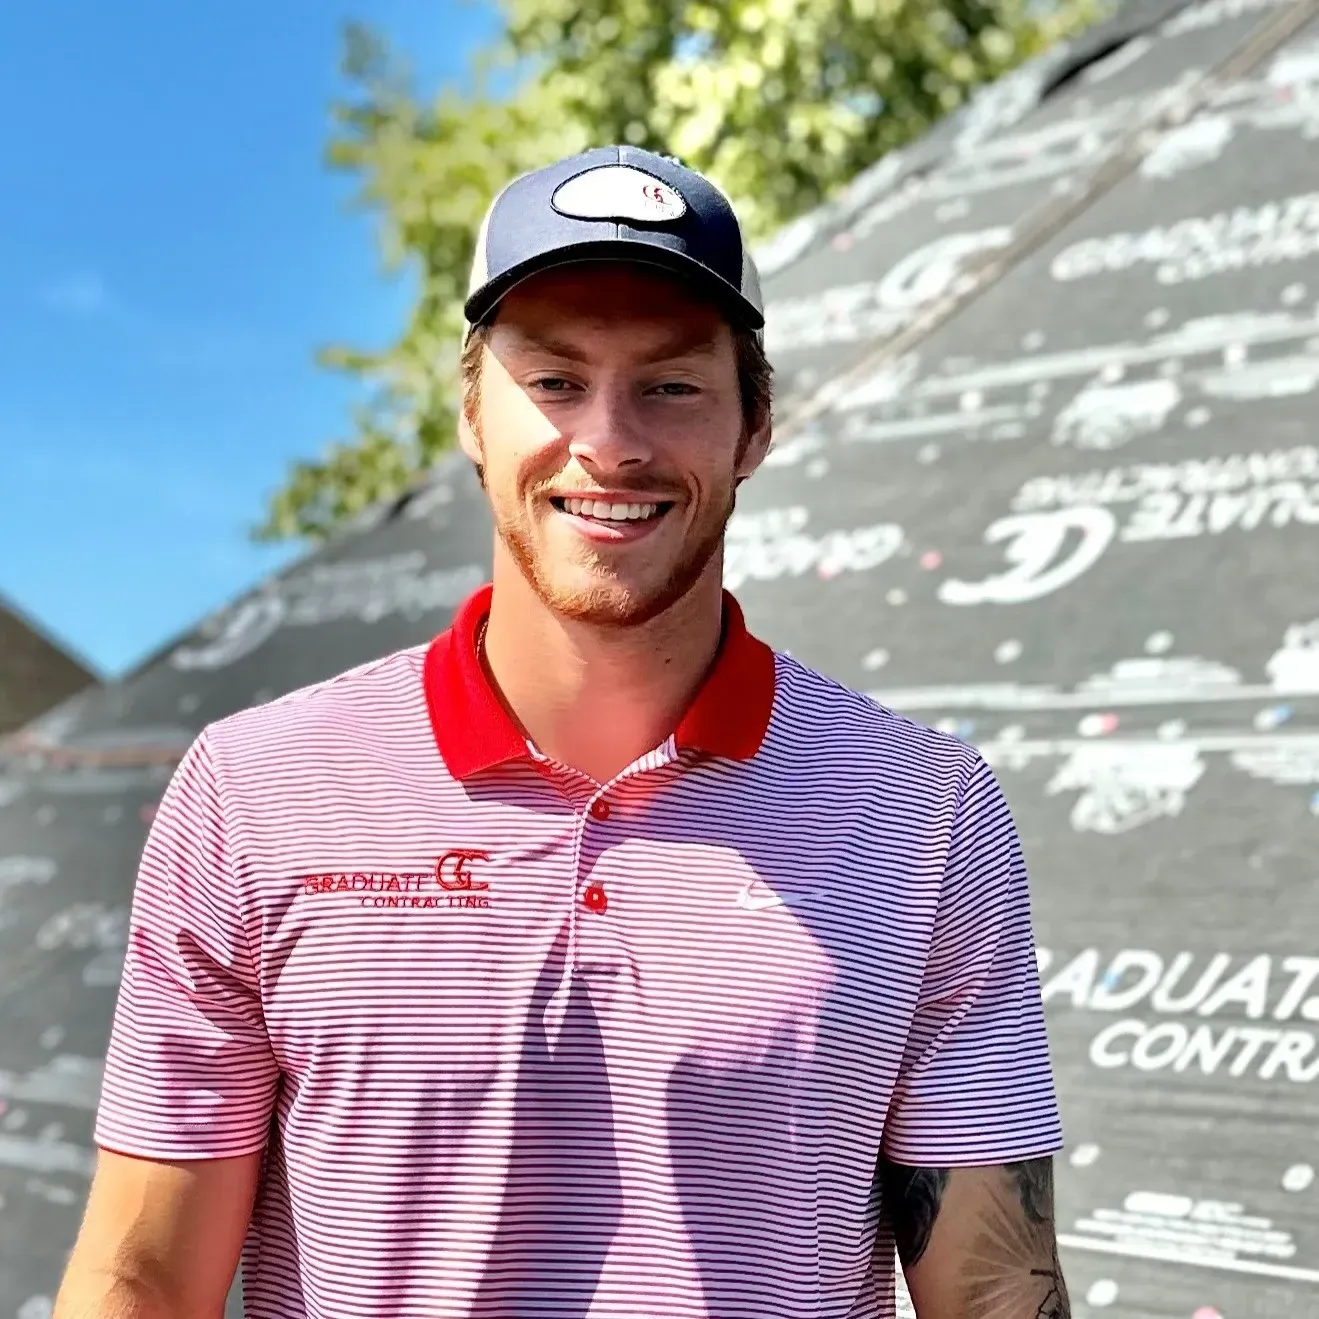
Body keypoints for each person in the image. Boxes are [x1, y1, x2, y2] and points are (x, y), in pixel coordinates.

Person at [56, 146, 1069, 1319]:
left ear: (754, 428)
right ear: (470, 414)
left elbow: (993, 1285)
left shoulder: (924, 806)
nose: (610, 441)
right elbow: (139, 1280)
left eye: (671, 385)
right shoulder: (252, 789)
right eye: (553, 379)